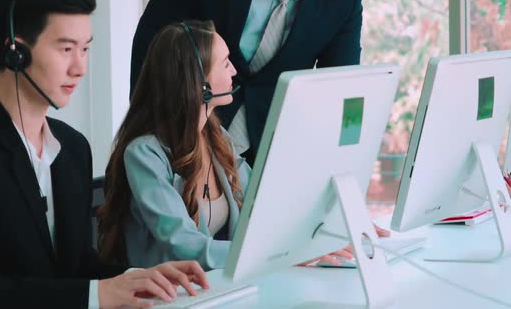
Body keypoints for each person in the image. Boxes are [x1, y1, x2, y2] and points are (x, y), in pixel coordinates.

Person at [0, 0, 207, 308]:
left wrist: (142, 278)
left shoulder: (72, 149)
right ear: (16, 52)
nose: (80, 68)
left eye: (86, 49)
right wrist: (94, 295)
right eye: (66, 49)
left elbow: (75, 266)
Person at [98, 20, 356, 271]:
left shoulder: (215, 136)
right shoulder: (144, 154)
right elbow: (184, 245)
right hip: (163, 297)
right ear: (199, 83)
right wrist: (278, 253)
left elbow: (262, 204)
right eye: (225, 64)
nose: (234, 71)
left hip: (208, 289)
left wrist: (325, 229)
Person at [130, 0, 363, 165]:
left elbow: (341, 92)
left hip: (272, 154)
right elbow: (150, 49)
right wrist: (157, 143)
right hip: (184, 143)